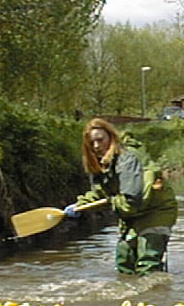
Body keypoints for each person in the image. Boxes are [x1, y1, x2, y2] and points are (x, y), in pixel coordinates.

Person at [64, 118, 178, 275]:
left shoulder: (127, 159)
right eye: (92, 143)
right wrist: (80, 205)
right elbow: (100, 192)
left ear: (111, 138)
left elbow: (132, 199)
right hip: (132, 213)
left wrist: (111, 201)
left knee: (148, 261)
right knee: (125, 260)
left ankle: (157, 295)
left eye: (100, 140)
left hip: (155, 210)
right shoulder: (101, 163)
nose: (96, 146)